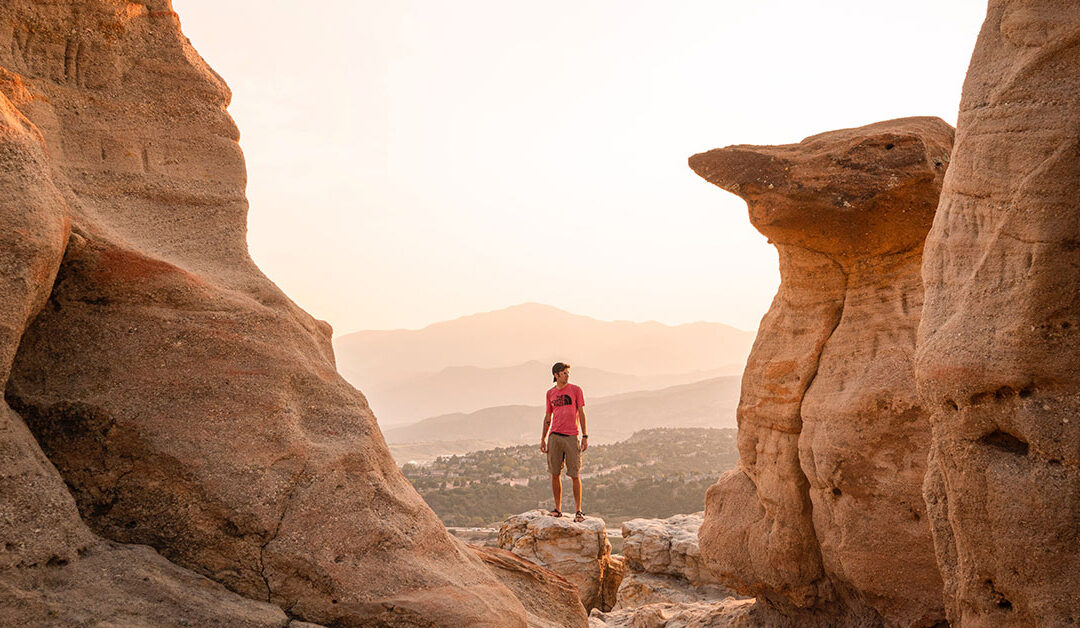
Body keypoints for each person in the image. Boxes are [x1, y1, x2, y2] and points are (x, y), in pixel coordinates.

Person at [540, 361, 588, 522]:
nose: (567, 376)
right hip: (554, 436)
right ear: (556, 375)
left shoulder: (576, 390)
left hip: (571, 436)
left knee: (575, 474)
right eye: (564, 373)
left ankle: (578, 511)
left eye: (568, 373)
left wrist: (585, 436)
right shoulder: (550, 394)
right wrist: (543, 438)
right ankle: (557, 509)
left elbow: (581, 413)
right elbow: (548, 417)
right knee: (555, 473)